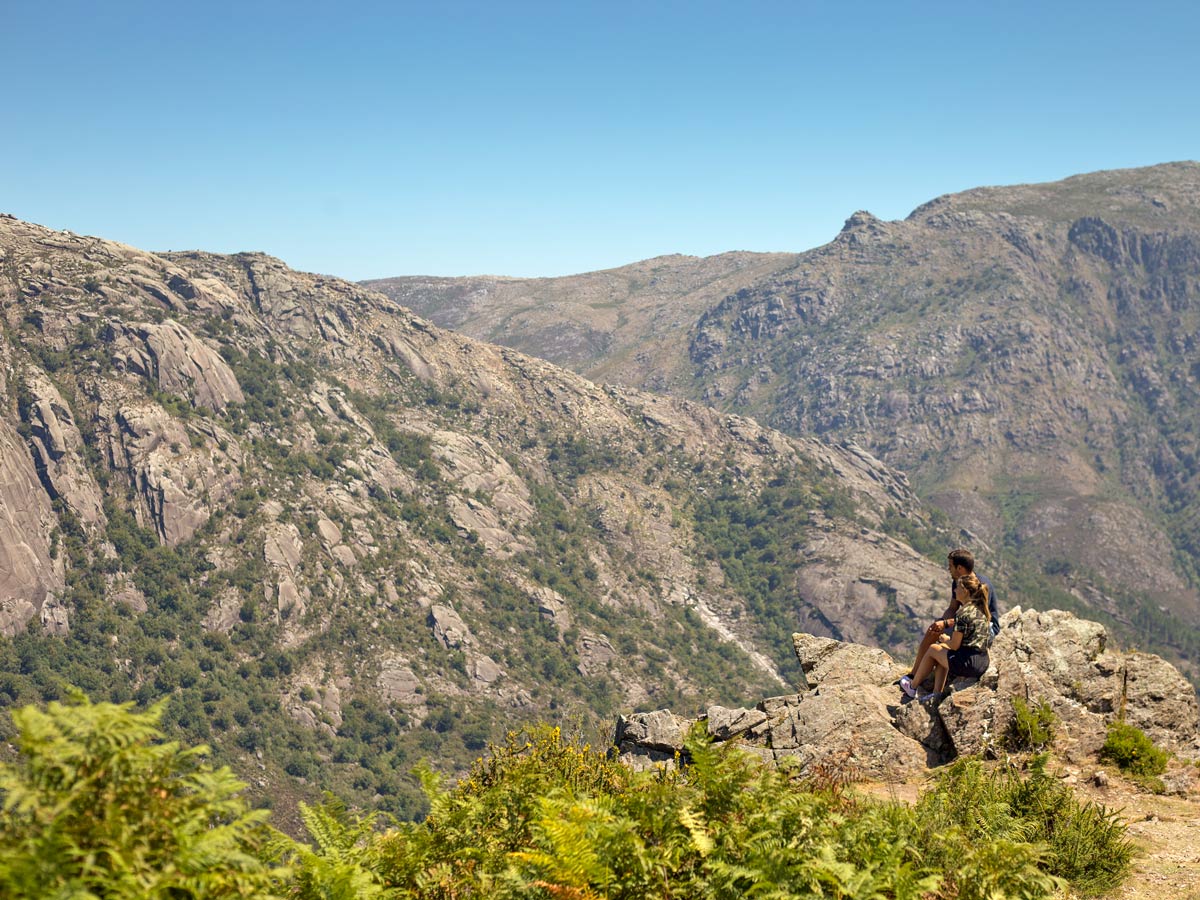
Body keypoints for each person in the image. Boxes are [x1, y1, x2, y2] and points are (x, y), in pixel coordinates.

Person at [899, 548, 999, 695]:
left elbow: (976, 617)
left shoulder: (981, 584)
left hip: (986, 627)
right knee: (934, 631)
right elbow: (953, 608)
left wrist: (946, 625)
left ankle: (913, 684)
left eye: (950, 566)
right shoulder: (958, 583)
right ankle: (914, 673)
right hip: (966, 622)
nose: (948, 570)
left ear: (960, 568)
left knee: (943, 645)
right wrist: (941, 623)